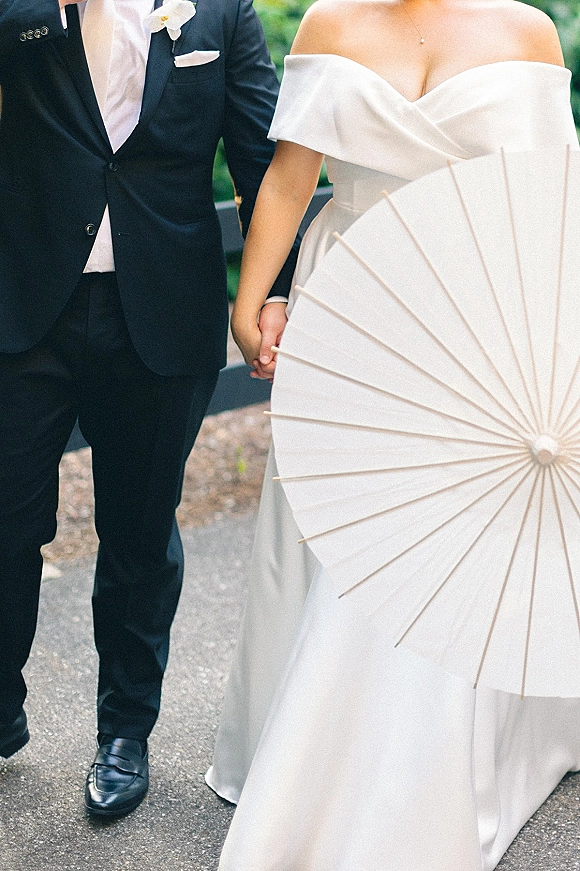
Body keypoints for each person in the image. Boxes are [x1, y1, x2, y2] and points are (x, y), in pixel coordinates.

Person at [206, 0, 580, 868]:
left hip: (474, 306)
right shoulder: (325, 26)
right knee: (340, 530)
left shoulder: (524, 30)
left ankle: (412, 780)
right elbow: (289, 178)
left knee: (433, 540)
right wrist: (250, 297)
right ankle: (309, 738)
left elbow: (552, 197)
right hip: (350, 304)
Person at [0, 0, 298, 818]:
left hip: (161, 309)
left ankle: (125, 734)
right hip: (24, 307)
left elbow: (260, 154)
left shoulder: (224, 12)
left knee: (138, 529)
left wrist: (272, 291)